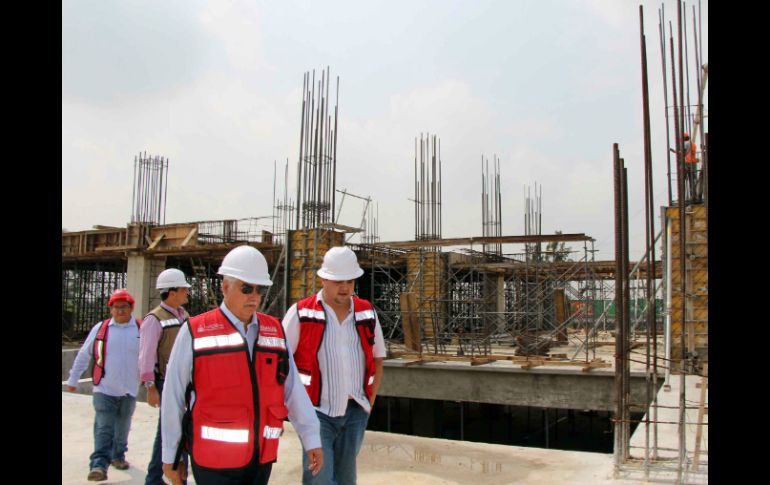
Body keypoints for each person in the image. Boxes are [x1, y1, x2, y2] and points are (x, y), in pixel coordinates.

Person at [161, 245, 323, 485]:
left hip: (261, 460)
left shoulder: (275, 331)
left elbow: (293, 390)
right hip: (214, 463)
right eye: (246, 288)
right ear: (225, 287)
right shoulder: (195, 331)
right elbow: (173, 397)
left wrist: (311, 437)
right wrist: (170, 457)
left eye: (260, 290)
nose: (254, 296)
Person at [282, 246, 386, 485]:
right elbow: (281, 361)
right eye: (338, 281)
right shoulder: (301, 313)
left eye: (349, 281)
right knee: (319, 478)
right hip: (316, 413)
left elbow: (378, 358)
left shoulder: (366, 312)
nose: (345, 287)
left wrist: (368, 402)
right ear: (323, 279)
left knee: (346, 479)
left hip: (355, 412)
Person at [66, 288, 141, 482]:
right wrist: (73, 379)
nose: (120, 311)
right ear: (110, 309)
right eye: (116, 307)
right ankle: (99, 465)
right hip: (104, 388)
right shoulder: (102, 329)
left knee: (123, 427)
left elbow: (150, 357)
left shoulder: (140, 330)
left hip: (129, 390)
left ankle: (118, 455)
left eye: (124, 307)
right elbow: (85, 354)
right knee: (104, 427)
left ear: (132, 308)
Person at [139, 268, 191, 485]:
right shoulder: (154, 319)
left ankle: (178, 478)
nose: (187, 292)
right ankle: (154, 479)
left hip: (184, 382)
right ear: (172, 292)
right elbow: (146, 356)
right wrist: (150, 388)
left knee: (182, 432)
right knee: (168, 433)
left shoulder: (185, 316)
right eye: (184, 289)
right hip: (164, 383)